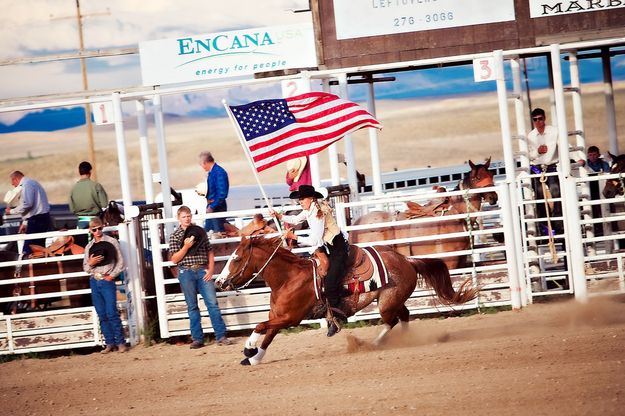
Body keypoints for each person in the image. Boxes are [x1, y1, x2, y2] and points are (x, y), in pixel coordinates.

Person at [269, 184, 348, 337]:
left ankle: (337, 318)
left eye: (302, 198)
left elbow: (314, 240)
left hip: (337, 248)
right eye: (299, 199)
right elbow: (294, 219)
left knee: (330, 283)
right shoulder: (310, 209)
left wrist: (294, 237)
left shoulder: (318, 213)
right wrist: (279, 216)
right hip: (328, 246)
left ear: (311, 198)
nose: (300, 201)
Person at [168, 205, 231, 348]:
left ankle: (220, 336)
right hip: (186, 271)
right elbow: (174, 259)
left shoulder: (199, 232)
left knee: (212, 304)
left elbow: (210, 251)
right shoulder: (175, 236)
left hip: (202, 270)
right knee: (192, 306)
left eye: (188, 216)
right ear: (179, 219)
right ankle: (197, 338)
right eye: (184, 216)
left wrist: (210, 270)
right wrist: (185, 247)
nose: (187, 219)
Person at [83, 217, 127, 353]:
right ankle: (109, 342)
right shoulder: (89, 247)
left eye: (100, 228)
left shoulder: (111, 242)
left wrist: (111, 276)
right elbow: (85, 268)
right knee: (102, 313)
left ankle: (120, 342)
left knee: (111, 312)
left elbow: (120, 262)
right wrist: (90, 263)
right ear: (90, 230)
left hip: (106, 280)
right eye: (94, 229)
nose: (97, 231)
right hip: (95, 280)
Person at [527, 108, 563, 236]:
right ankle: (545, 228)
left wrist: (578, 158)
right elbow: (528, 155)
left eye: (540, 118)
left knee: (556, 192)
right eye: (535, 119)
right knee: (539, 197)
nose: (538, 122)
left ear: (544, 118)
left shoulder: (554, 131)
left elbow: (565, 145)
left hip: (551, 166)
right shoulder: (530, 136)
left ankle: (559, 225)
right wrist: (538, 152)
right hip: (536, 168)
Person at [5, 171, 51, 255]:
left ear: (16, 179)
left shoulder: (26, 185)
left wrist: (11, 211)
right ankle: (39, 267)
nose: (12, 184)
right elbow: (31, 206)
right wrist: (26, 222)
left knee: (28, 250)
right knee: (38, 249)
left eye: (12, 180)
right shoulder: (32, 183)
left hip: (37, 220)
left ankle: (26, 267)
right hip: (41, 218)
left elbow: (27, 204)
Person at [69, 161, 109, 233]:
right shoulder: (96, 186)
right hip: (96, 222)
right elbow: (104, 204)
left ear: (79, 172)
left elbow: (72, 209)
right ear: (90, 171)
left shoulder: (73, 189)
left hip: (81, 222)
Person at [199, 151, 229, 234]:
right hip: (213, 207)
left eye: (201, 164)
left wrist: (212, 206)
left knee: (217, 234)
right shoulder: (213, 172)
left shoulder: (219, 172)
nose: (202, 167)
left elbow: (222, 193)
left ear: (204, 163)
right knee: (209, 233)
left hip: (217, 208)